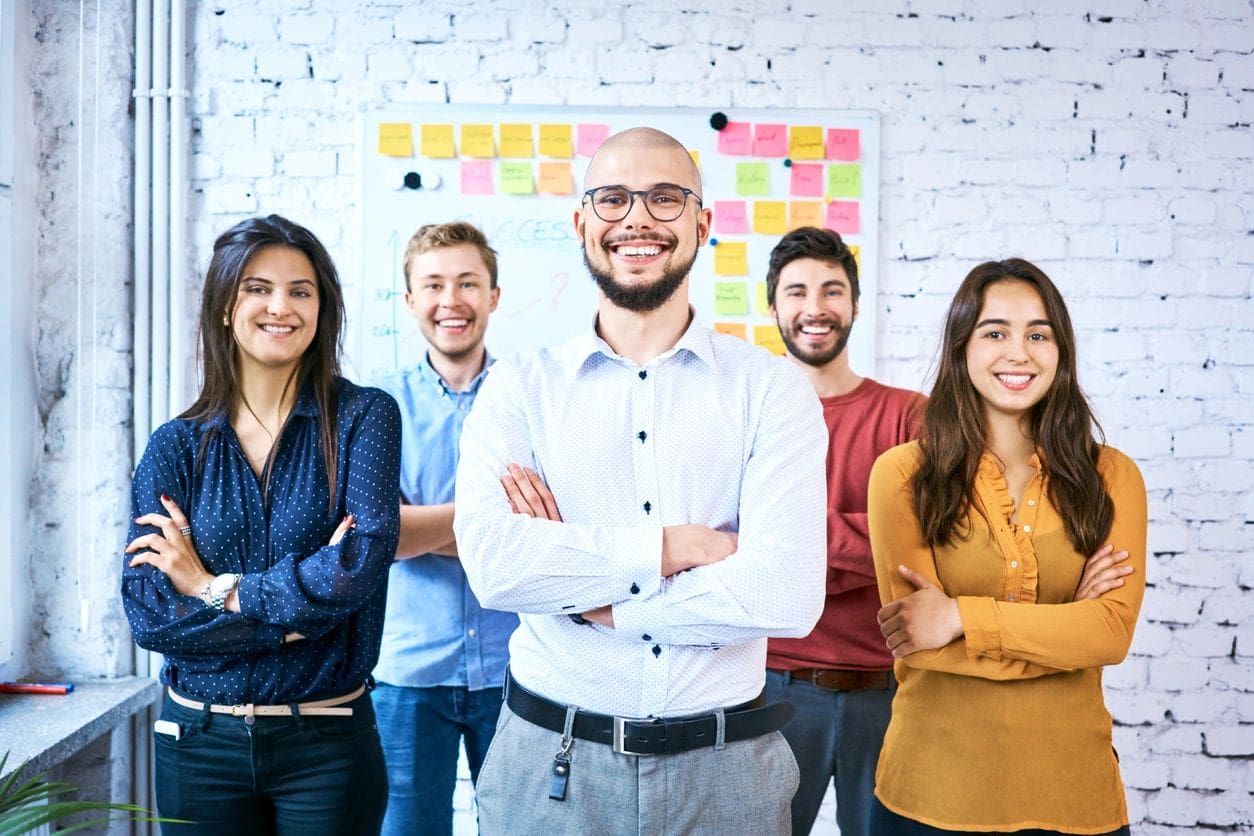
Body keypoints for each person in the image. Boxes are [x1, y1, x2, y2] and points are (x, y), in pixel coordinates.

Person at [452, 127, 828, 835]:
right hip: (550, 768)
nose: (638, 219)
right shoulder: (517, 390)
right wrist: (673, 547)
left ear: (702, 224)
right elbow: (500, 571)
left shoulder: (771, 389)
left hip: (728, 775)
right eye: (614, 198)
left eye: (664, 198)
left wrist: (604, 601)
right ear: (582, 223)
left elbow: (787, 592)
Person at [121, 214, 401, 835]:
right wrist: (303, 622)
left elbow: (358, 568)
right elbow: (149, 614)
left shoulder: (365, 418)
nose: (282, 306)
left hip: (326, 743)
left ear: (321, 308)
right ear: (225, 306)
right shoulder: (175, 446)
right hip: (197, 740)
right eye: (258, 288)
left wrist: (210, 588)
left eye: (301, 290)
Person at [867, 258, 1145, 835]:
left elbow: (1109, 636)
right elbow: (919, 642)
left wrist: (960, 616)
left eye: (1038, 334)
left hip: (1074, 794)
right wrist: (1065, 631)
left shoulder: (1113, 476)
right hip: (929, 793)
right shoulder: (902, 474)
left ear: (1060, 351)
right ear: (962, 346)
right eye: (995, 332)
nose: (1018, 353)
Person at [760, 227, 923, 836]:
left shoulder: (911, 415)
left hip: (888, 690)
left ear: (855, 304)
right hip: (771, 688)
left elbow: (919, 546)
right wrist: (862, 545)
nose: (815, 308)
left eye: (832, 291)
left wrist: (790, 543)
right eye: (796, 291)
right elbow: (728, 545)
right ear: (772, 306)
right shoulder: (745, 414)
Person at [370, 221, 518, 836]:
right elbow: (376, 536)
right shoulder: (377, 406)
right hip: (407, 674)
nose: (449, 300)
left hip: (517, 672)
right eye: (432, 284)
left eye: (467, 283)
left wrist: (421, 526)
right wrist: (492, 525)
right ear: (410, 301)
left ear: (493, 296)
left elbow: (546, 531)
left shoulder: (530, 399)